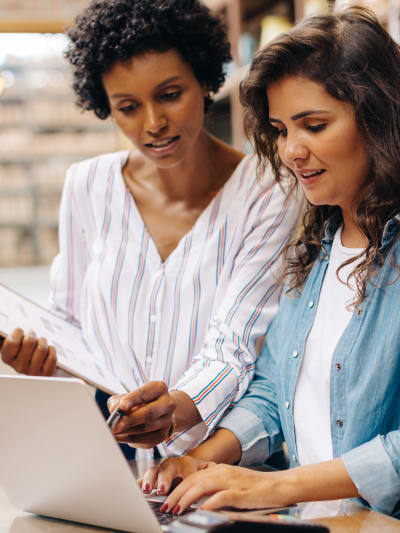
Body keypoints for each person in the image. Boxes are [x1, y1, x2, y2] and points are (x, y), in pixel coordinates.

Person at [0, 0, 301, 457]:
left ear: (204, 80)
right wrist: (44, 360)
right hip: (111, 448)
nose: (153, 124)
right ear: (106, 107)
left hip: (221, 454)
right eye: (127, 106)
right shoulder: (87, 186)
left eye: (169, 94)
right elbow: (70, 322)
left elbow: (236, 344)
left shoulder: (269, 191)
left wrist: (174, 409)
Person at [140, 6, 400, 516]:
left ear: (379, 116)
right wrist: (200, 460)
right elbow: (273, 393)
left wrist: (278, 487)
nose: (291, 151)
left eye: (315, 125)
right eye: (281, 129)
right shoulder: (316, 248)